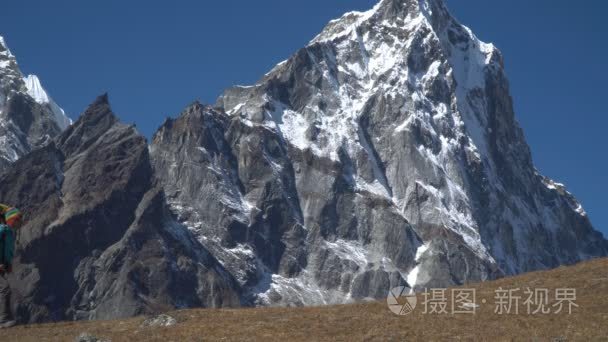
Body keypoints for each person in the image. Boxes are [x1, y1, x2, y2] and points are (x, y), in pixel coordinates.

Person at [0, 204, 23, 329]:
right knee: (5, 289)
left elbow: (6, 251)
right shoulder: (3, 230)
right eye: (17, 219)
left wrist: (7, 264)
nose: (19, 222)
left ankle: (6, 319)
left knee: (6, 290)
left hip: (3, 266)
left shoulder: (8, 231)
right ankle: (3, 320)